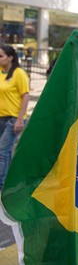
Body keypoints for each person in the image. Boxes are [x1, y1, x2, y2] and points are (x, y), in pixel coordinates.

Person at [0, 45, 30, 189]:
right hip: (1, 117)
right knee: (4, 152)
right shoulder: (0, 73)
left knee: (3, 150)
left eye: (1, 56)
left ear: (10, 57)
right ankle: (7, 181)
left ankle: (1, 183)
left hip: (13, 119)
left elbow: (25, 96)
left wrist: (19, 119)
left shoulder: (19, 73)